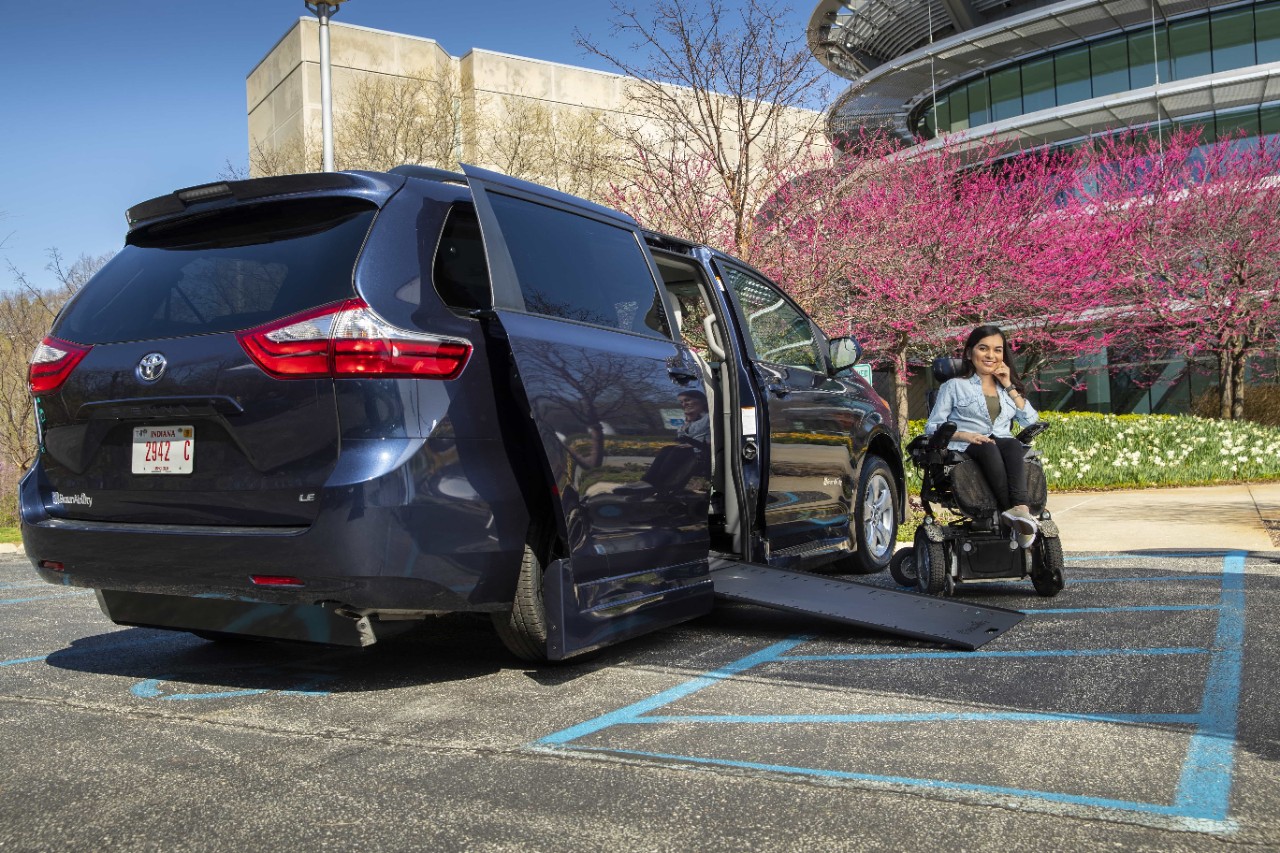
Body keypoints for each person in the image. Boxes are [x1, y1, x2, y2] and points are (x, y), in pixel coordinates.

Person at [925, 324, 1041, 547]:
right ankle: (1015, 515)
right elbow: (933, 427)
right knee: (988, 446)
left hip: (1001, 443)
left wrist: (1008, 384)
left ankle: (1021, 511)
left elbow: (1030, 420)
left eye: (998, 350)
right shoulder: (954, 386)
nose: (991, 355)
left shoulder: (1007, 389)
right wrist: (965, 435)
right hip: (967, 445)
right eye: (983, 348)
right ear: (970, 353)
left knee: (1012, 445)